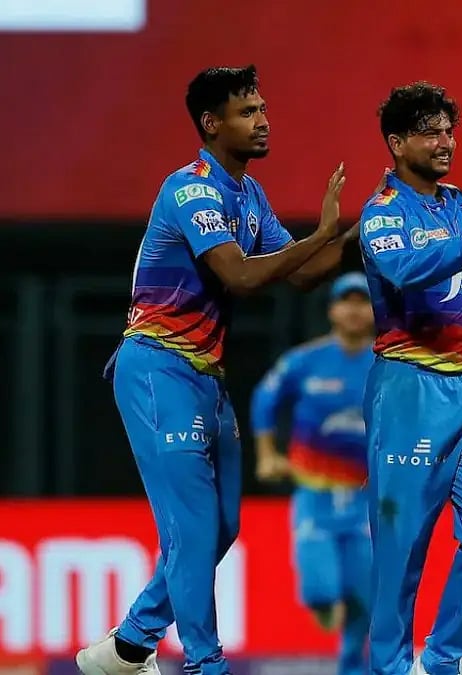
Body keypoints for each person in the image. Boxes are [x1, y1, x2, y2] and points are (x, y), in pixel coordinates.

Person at [76, 65, 357, 675]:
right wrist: (323, 235)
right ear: (212, 123)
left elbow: (304, 272)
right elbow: (244, 276)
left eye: (262, 108)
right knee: (194, 531)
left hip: (206, 378)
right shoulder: (192, 188)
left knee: (223, 527)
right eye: (248, 111)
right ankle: (206, 665)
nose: (263, 120)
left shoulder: (249, 197)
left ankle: (127, 646)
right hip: (156, 370)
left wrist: (374, 225)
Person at [358, 82, 462, 675]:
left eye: (449, 131)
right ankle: (389, 669)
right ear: (397, 143)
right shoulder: (381, 211)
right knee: (400, 554)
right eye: (430, 131)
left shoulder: (459, 204)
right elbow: (405, 272)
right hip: (411, 389)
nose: (445, 142)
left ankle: (443, 660)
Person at [250, 272, 376, 675]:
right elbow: (264, 399)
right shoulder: (305, 361)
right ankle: (326, 608)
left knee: (365, 597)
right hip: (315, 494)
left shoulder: (390, 365)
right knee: (321, 591)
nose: (355, 309)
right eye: (347, 301)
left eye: (363, 301)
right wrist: (266, 453)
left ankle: (351, 666)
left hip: (367, 500)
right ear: (332, 310)